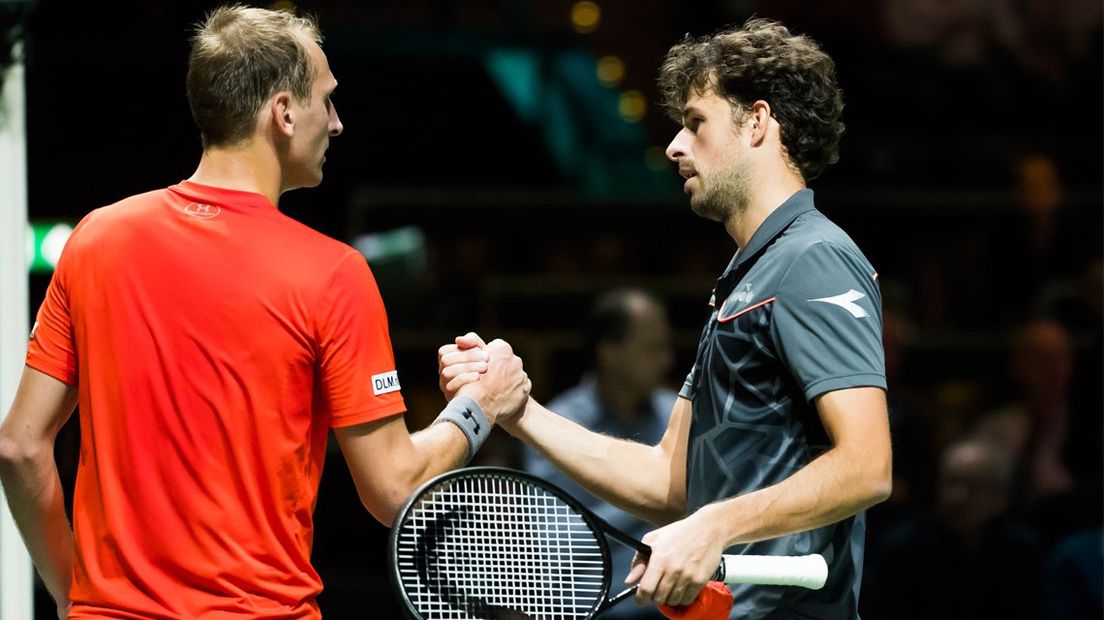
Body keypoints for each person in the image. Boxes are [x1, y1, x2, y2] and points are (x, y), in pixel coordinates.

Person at [0, 6, 529, 619]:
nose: (337, 123)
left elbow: (19, 448)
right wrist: (479, 408)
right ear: (282, 113)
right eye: (326, 102)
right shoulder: (333, 274)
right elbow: (393, 489)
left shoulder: (94, 239)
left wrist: (73, 599)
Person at [440, 18, 891, 619]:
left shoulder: (813, 259)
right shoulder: (742, 279)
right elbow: (669, 483)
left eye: (696, 122)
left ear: (757, 123)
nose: (675, 145)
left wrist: (714, 526)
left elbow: (867, 465)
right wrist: (518, 410)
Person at [523, 288, 677, 620]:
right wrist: (657, 499)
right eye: (652, 349)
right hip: (588, 610)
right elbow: (556, 545)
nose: (667, 360)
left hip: (668, 611)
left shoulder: (677, 416)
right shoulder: (556, 424)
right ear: (610, 353)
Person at [862, 438, 1044, 620]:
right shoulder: (903, 547)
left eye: (973, 486)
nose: (958, 496)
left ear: (1002, 496)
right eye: (951, 482)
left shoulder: (1022, 552)